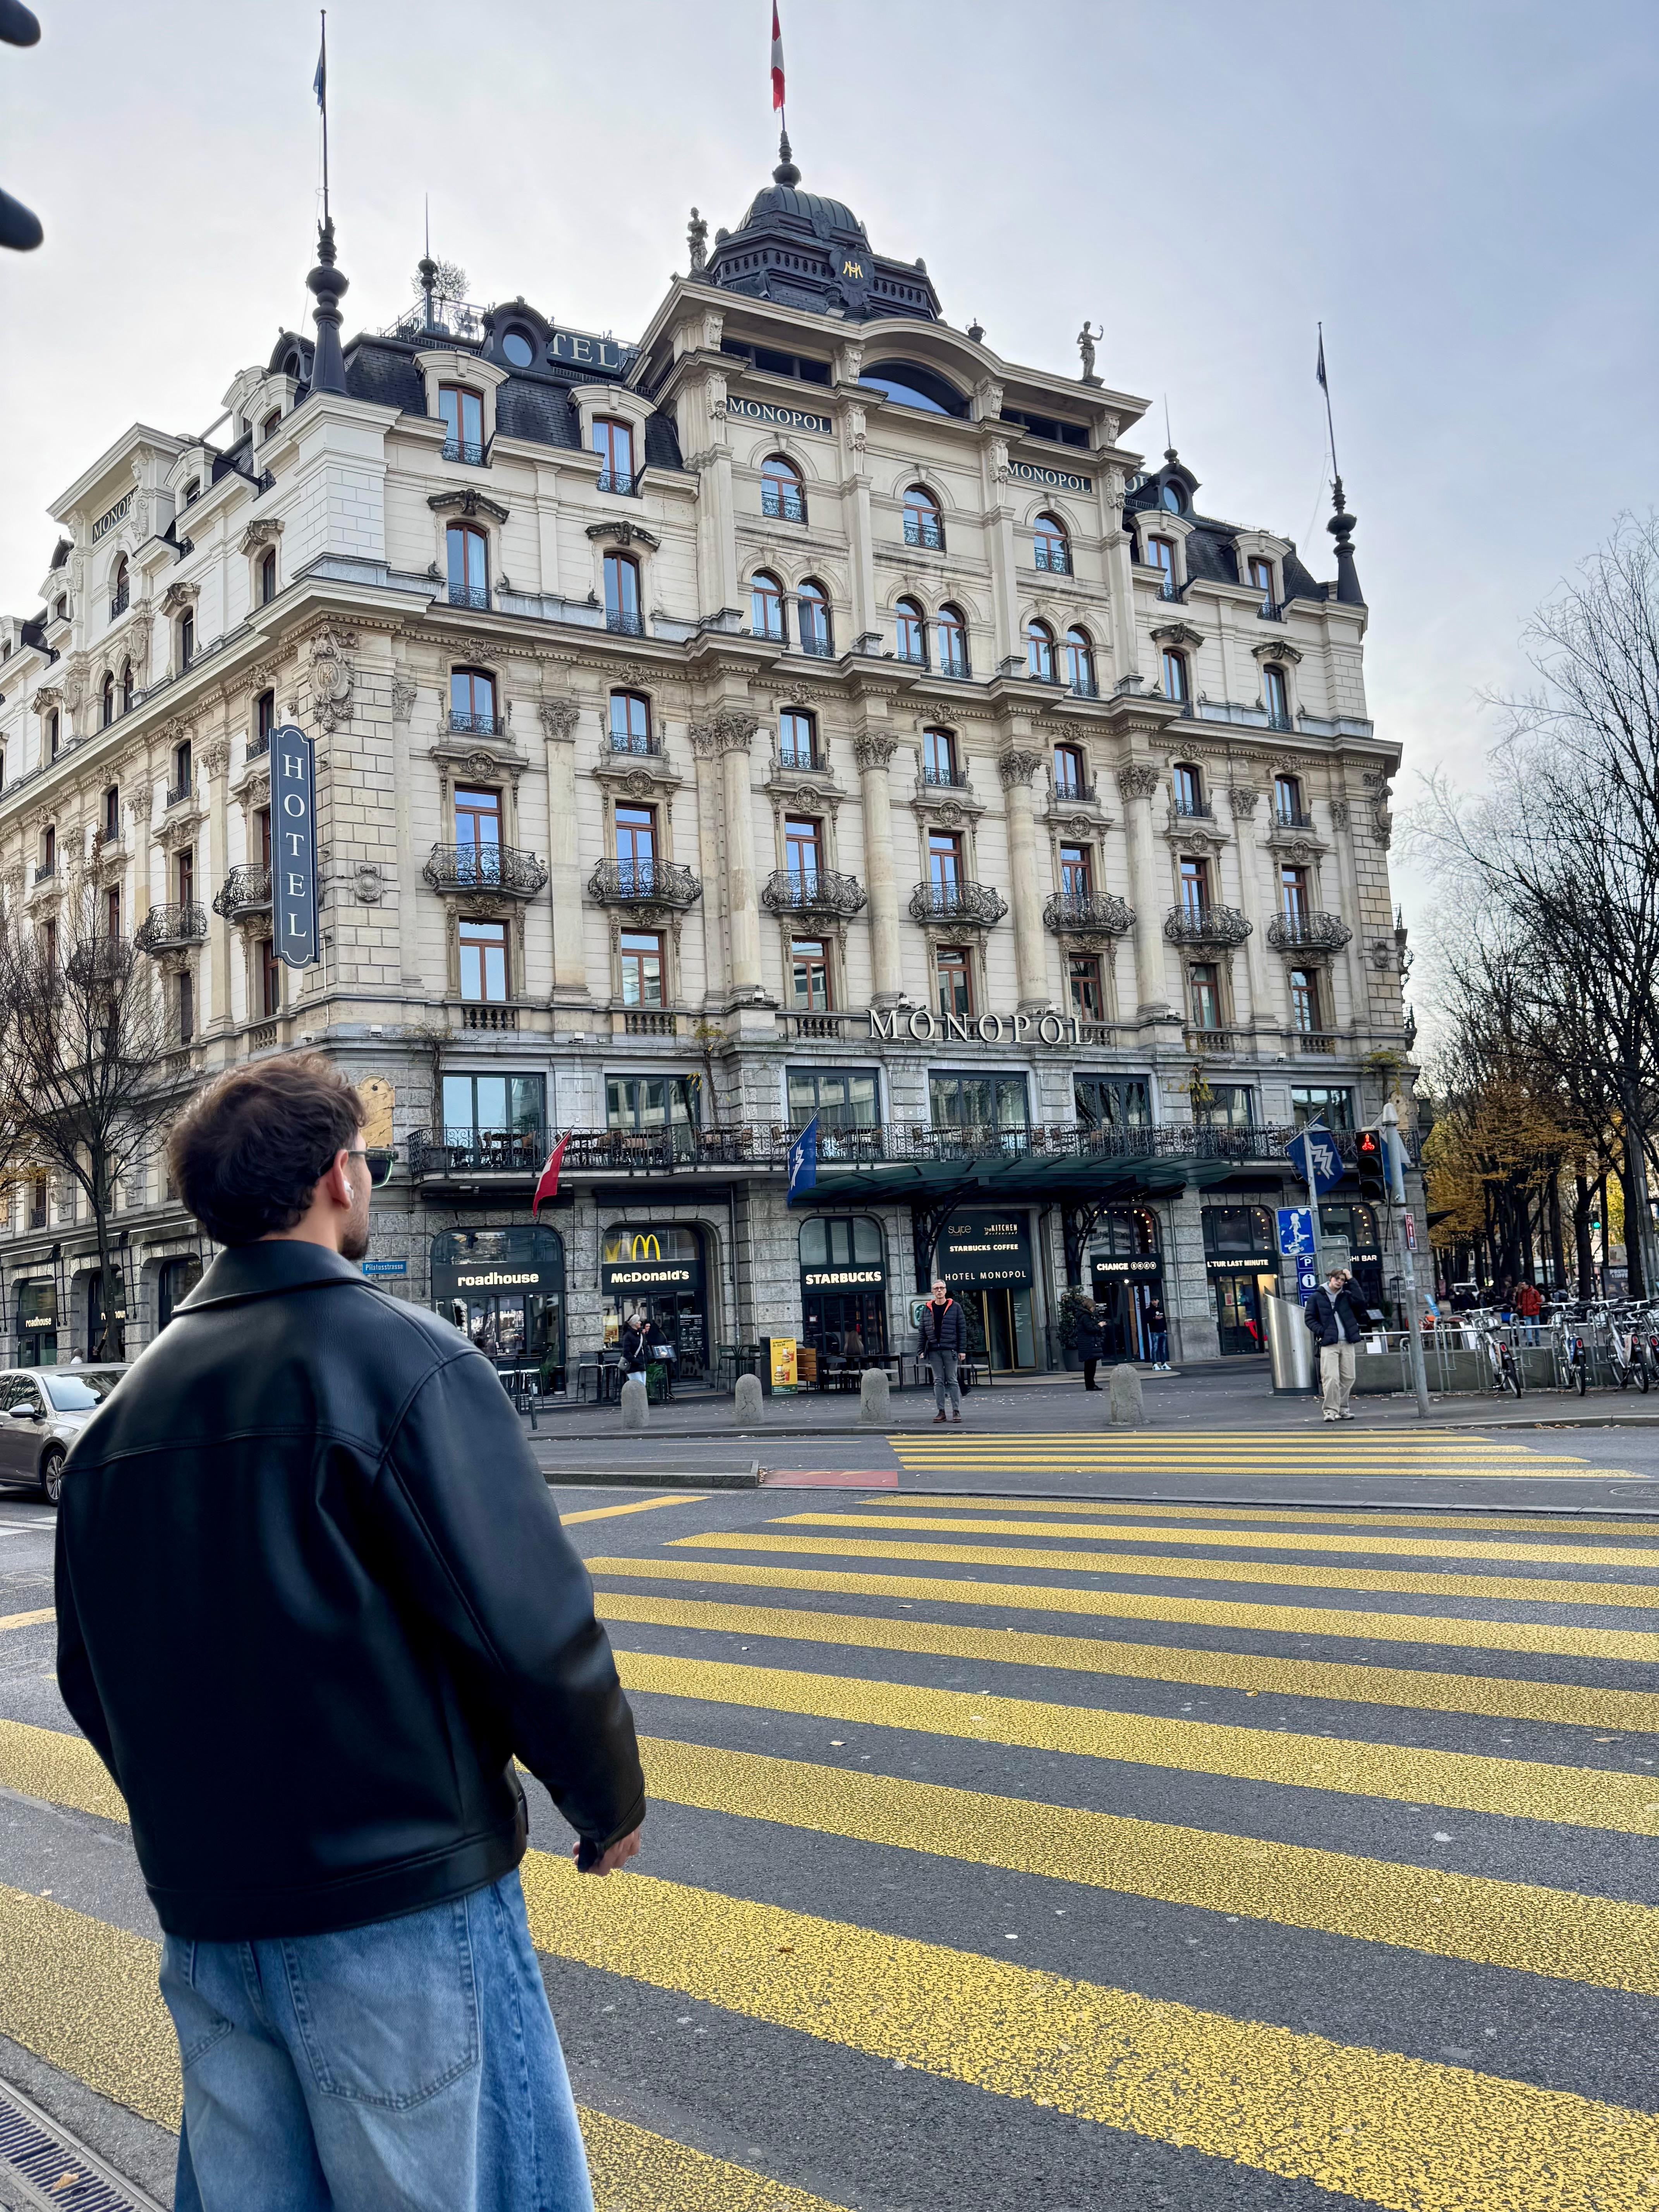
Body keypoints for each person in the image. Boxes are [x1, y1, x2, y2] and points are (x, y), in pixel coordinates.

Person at [55, 1054, 644, 2212]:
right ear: (337, 1176)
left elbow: (90, 1674)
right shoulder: (402, 1356)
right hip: (399, 1906)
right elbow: (526, 1621)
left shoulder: (122, 1415)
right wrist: (606, 1798)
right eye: (364, 1161)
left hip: (212, 1918)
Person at [1304, 1264, 1369, 1420]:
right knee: (1331, 1378)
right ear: (1330, 1278)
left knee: (1349, 1377)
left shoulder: (1346, 1296)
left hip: (1347, 1342)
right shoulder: (1317, 1297)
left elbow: (1361, 1301)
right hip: (1329, 1343)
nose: (1339, 1282)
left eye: (1342, 1280)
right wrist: (1322, 1331)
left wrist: (1351, 1279)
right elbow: (1309, 1318)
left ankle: (1343, 1408)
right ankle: (1330, 1411)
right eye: (1337, 1279)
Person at [917, 1277, 967, 1424]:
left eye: (942, 1288)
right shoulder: (927, 1309)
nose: (939, 1291)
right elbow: (922, 1331)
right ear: (933, 1292)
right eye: (936, 1289)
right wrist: (921, 1349)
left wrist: (962, 1350)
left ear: (946, 1291)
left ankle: (956, 1411)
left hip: (950, 1349)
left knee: (952, 1380)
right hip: (933, 1350)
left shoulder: (955, 1307)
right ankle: (941, 1412)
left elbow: (962, 1330)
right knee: (938, 1381)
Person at [1073, 1296, 1104, 1391]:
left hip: (1086, 1343)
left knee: (1089, 1366)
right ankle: (1091, 1385)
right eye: (1093, 1307)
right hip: (1089, 1343)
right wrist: (1099, 1326)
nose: (1094, 1309)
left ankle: (1090, 1385)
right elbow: (1090, 1329)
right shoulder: (1086, 1317)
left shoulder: (1082, 1316)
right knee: (1091, 1366)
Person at [1145, 1295, 1170, 1372]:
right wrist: (1154, 1318)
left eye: (1155, 1300)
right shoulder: (1149, 1311)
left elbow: (1164, 1319)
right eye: (1153, 1301)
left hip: (1162, 1332)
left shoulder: (1161, 1309)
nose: (1154, 1302)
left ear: (1158, 1301)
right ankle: (1154, 1364)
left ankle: (1163, 1363)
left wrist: (1165, 1329)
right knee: (1155, 1348)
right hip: (1154, 1332)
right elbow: (1146, 1321)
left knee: (1163, 1349)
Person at [1515, 1277, 1543, 1345]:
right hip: (1527, 1313)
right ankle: (1530, 1341)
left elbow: (1539, 1302)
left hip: (1534, 1312)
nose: (1522, 1286)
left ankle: (1537, 1340)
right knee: (1528, 1327)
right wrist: (1520, 1306)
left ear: (1528, 1285)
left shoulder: (1534, 1292)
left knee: (1536, 1327)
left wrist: (1533, 1307)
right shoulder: (1522, 1293)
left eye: (1523, 1285)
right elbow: (1519, 1301)